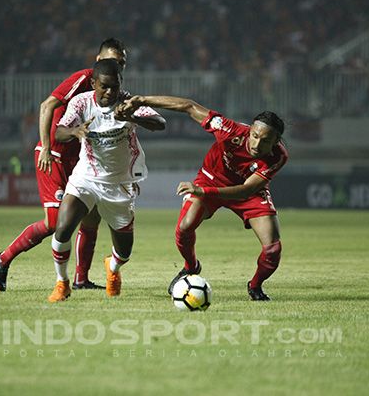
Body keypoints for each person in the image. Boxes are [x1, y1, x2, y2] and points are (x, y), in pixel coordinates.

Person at [0, 38, 128, 292]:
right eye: (111, 61)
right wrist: (45, 146)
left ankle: (81, 279)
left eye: (121, 63)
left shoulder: (113, 89)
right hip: (53, 154)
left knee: (91, 217)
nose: (117, 66)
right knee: (55, 222)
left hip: (80, 159)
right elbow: (47, 105)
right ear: (98, 61)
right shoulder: (84, 79)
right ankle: (3, 258)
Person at [120, 94, 287, 301]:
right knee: (185, 226)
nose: (256, 143)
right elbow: (189, 106)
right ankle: (191, 266)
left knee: (273, 248)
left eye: (265, 140)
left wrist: (202, 192)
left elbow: (246, 190)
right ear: (250, 130)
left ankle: (255, 286)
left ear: (276, 142)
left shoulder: (278, 157)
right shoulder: (229, 130)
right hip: (211, 181)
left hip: (247, 192)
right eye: (254, 135)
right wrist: (142, 100)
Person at [46, 58, 165, 302]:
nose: (111, 92)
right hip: (86, 178)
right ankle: (62, 283)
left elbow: (160, 124)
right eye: (105, 86)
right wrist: (75, 131)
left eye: (115, 86)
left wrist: (133, 117)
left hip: (119, 183)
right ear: (93, 84)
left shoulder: (128, 101)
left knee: (124, 251)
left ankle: (113, 269)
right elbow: (58, 131)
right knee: (62, 229)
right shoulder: (81, 103)